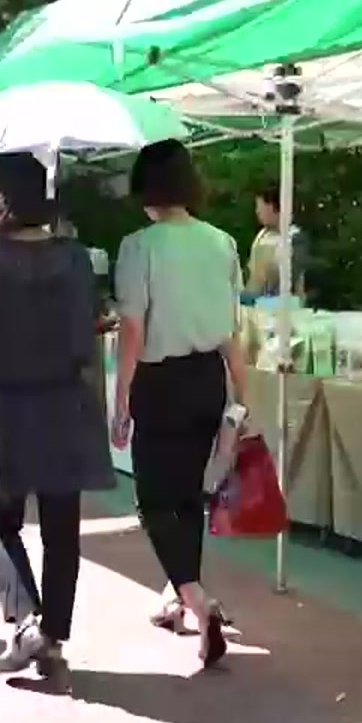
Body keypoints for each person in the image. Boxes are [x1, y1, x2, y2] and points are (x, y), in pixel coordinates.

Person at [0, 154, 113, 685]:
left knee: (0, 517)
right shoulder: (75, 257)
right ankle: (53, 633)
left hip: (7, 404)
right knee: (63, 526)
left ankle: (25, 619)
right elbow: (96, 316)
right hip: (69, 400)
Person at [110, 140, 249, 669]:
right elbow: (230, 330)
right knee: (189, 495)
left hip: (159, 379)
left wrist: (120, 396)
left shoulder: (139, 247)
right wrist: (241, 390)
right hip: (208, 378)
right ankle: (178, 599)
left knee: (152, 498)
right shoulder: (222, 243)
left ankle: (197, 600)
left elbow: (133, 327)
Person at [245, 185, 307, 301]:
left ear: (272, 207)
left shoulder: (295, 238)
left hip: (285, 307)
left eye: (260, 206)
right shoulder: (261, 236)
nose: (257, 211)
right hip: (255, 305)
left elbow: (290, 277)